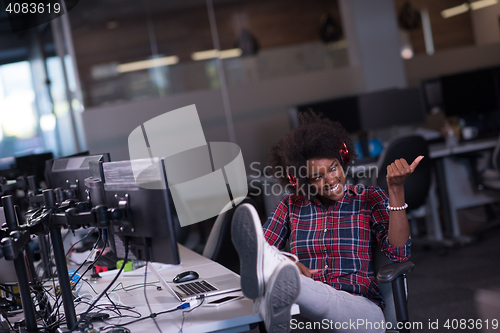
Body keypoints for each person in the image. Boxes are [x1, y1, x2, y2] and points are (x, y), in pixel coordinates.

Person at [232, 112, 422, 333]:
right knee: (272, 262)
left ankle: (280, 288)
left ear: (343, 161)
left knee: (294, 283)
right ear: (303, 181)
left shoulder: (369, 198)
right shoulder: (290, 205)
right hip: (307, 311)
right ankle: (282, 284)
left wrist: (396, 190)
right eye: (317, 176)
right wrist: (287, 261)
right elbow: (257, 249)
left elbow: (399, 254)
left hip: (360, 310)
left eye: (333, 168)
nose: (331, 180)